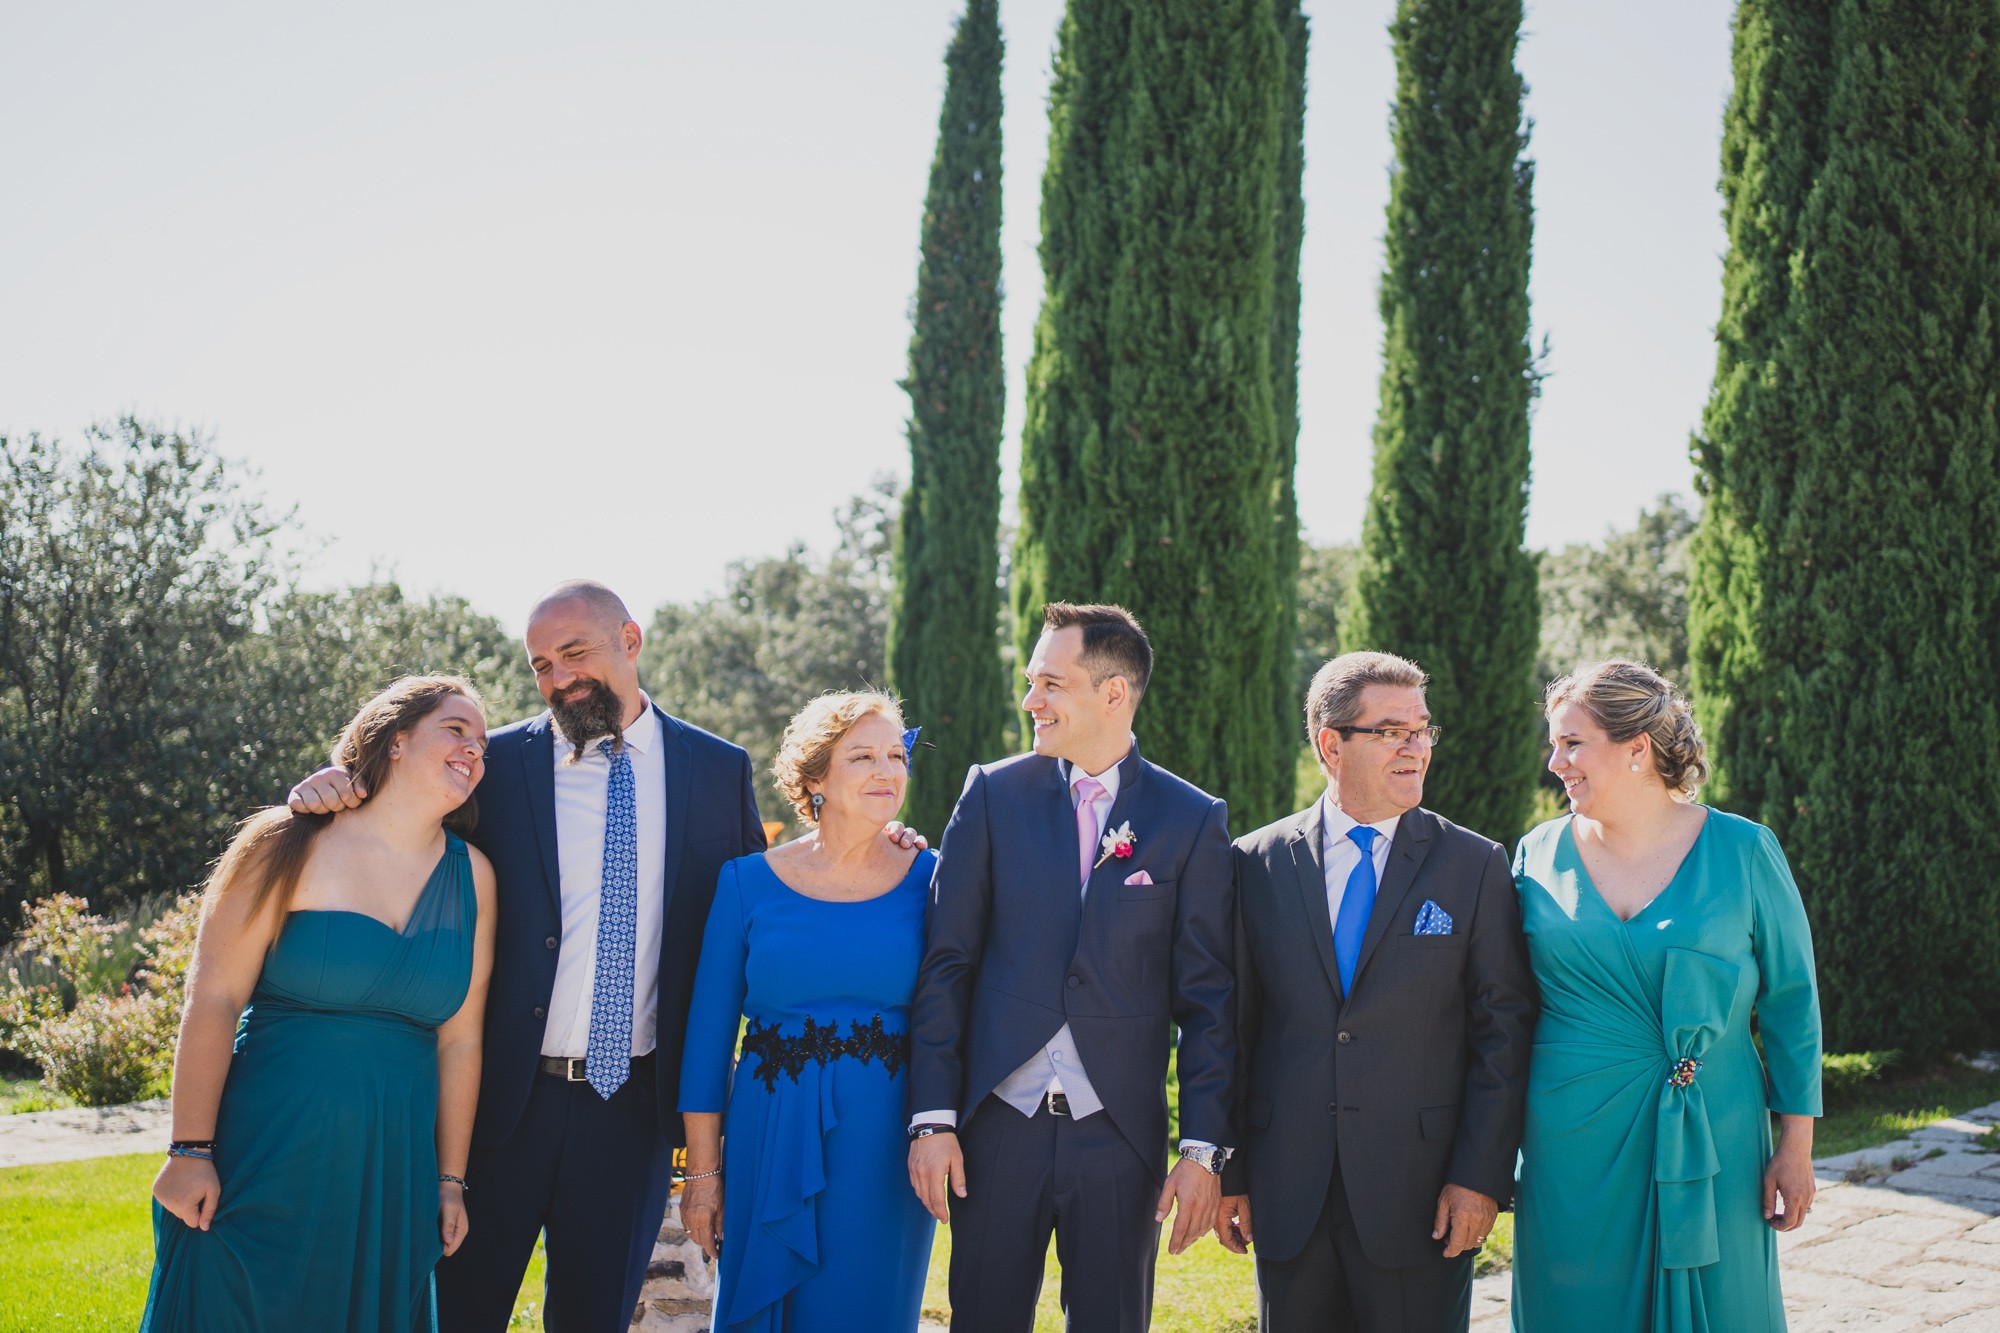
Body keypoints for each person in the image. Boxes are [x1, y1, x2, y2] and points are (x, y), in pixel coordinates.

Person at [289, 582, 768, 1332]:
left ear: (631, 640)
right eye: (541, 664)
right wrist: (337, 788)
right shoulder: (495, 764)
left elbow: (761, 910)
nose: (558, 677)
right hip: (496, 1105)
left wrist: (875, 841)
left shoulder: (717, 769)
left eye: (575, 652)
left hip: (630, 1110)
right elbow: (401, 820)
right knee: (455, 1313)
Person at [907, 602, 1236, 1333]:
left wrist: (1203, 1148)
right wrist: (932, 1116)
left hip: (1119, 1138)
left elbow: (1208, 998)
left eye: (1050, 683)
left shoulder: (1190, 818)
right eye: (1031, 681)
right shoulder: (993, 794)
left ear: (1112, 693)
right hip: (996, 1132)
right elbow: (946, 963)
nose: (1031, 700)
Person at [144, 676, 498, 1333]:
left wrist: (450, 1182)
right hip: (264, 1150)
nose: (474, 749)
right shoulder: (285, 841)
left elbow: (462, 1040)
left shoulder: (473, 874)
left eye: (482, 743)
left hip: (391, 1176)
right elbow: (214, 995)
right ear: (396, 739)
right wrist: (189, 1148)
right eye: (456, 729)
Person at [1216, 651, 1537, 1332]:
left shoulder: (1474, 864)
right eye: (1392, 731)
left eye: (1422, 730)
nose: (1415, 747)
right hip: (1288, 1191)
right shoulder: (1255, 862)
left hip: (1420, 1194)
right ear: (1332, 744)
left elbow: (1502, 1034)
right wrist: (1231, 1169)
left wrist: (1481, 1175)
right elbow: (1232, 1029)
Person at [1511, 660, 1821, 1332]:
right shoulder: (1534, 854)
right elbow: (1505, 1006)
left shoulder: (1744, 850)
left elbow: (1793, 1002)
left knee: (1726, 1302)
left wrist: (1795, 1142)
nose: (1554, 761)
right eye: (1554, 743)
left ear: (1635, 748)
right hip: (1569, 1138)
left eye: (1571, 742)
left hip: (1717, 1129)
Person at [678, 692, 937, 1332]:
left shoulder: (934, 877)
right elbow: (707, 1046)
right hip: (770, 1130)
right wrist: (703, 1175)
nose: (886, 771)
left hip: (886, 1144)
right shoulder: (745, 882)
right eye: (863, 757)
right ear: (815, 778)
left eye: (896, 756)